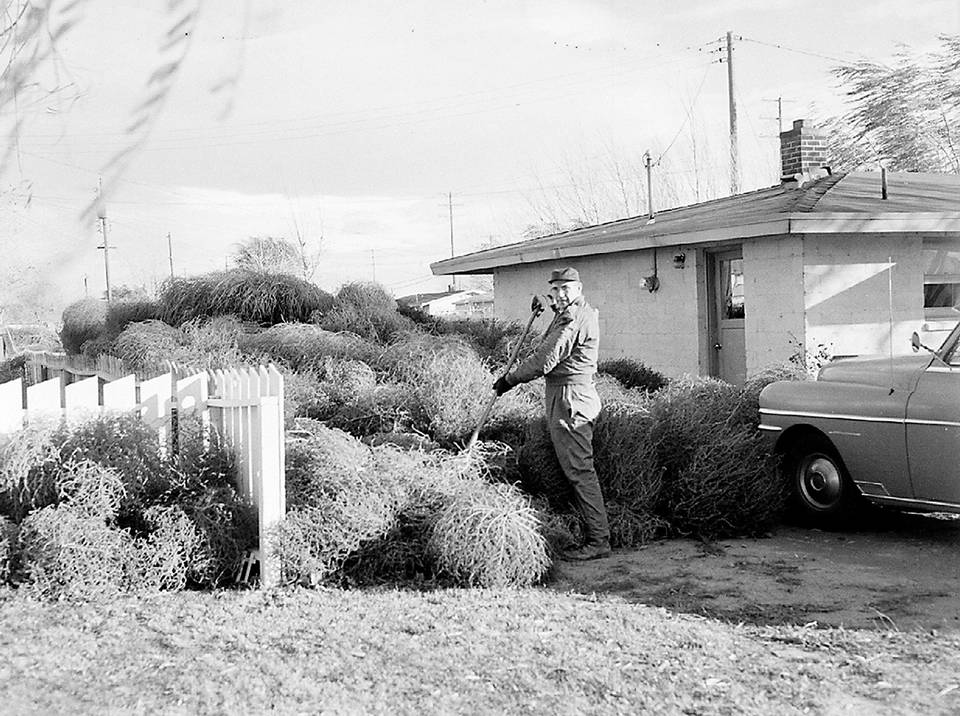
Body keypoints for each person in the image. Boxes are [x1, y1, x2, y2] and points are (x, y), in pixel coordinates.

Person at [493, 266, 611, 560]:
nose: (559, 295)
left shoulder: (573, 320)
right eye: (555, 290)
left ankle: (599, 540)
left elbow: (544, 360)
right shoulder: (567, 315)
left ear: (579, 289)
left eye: (565, 289)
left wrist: (510, 380)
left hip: (571, 399)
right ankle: (593, 534)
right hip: (566, 394)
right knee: (576, 470)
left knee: (580, 471)